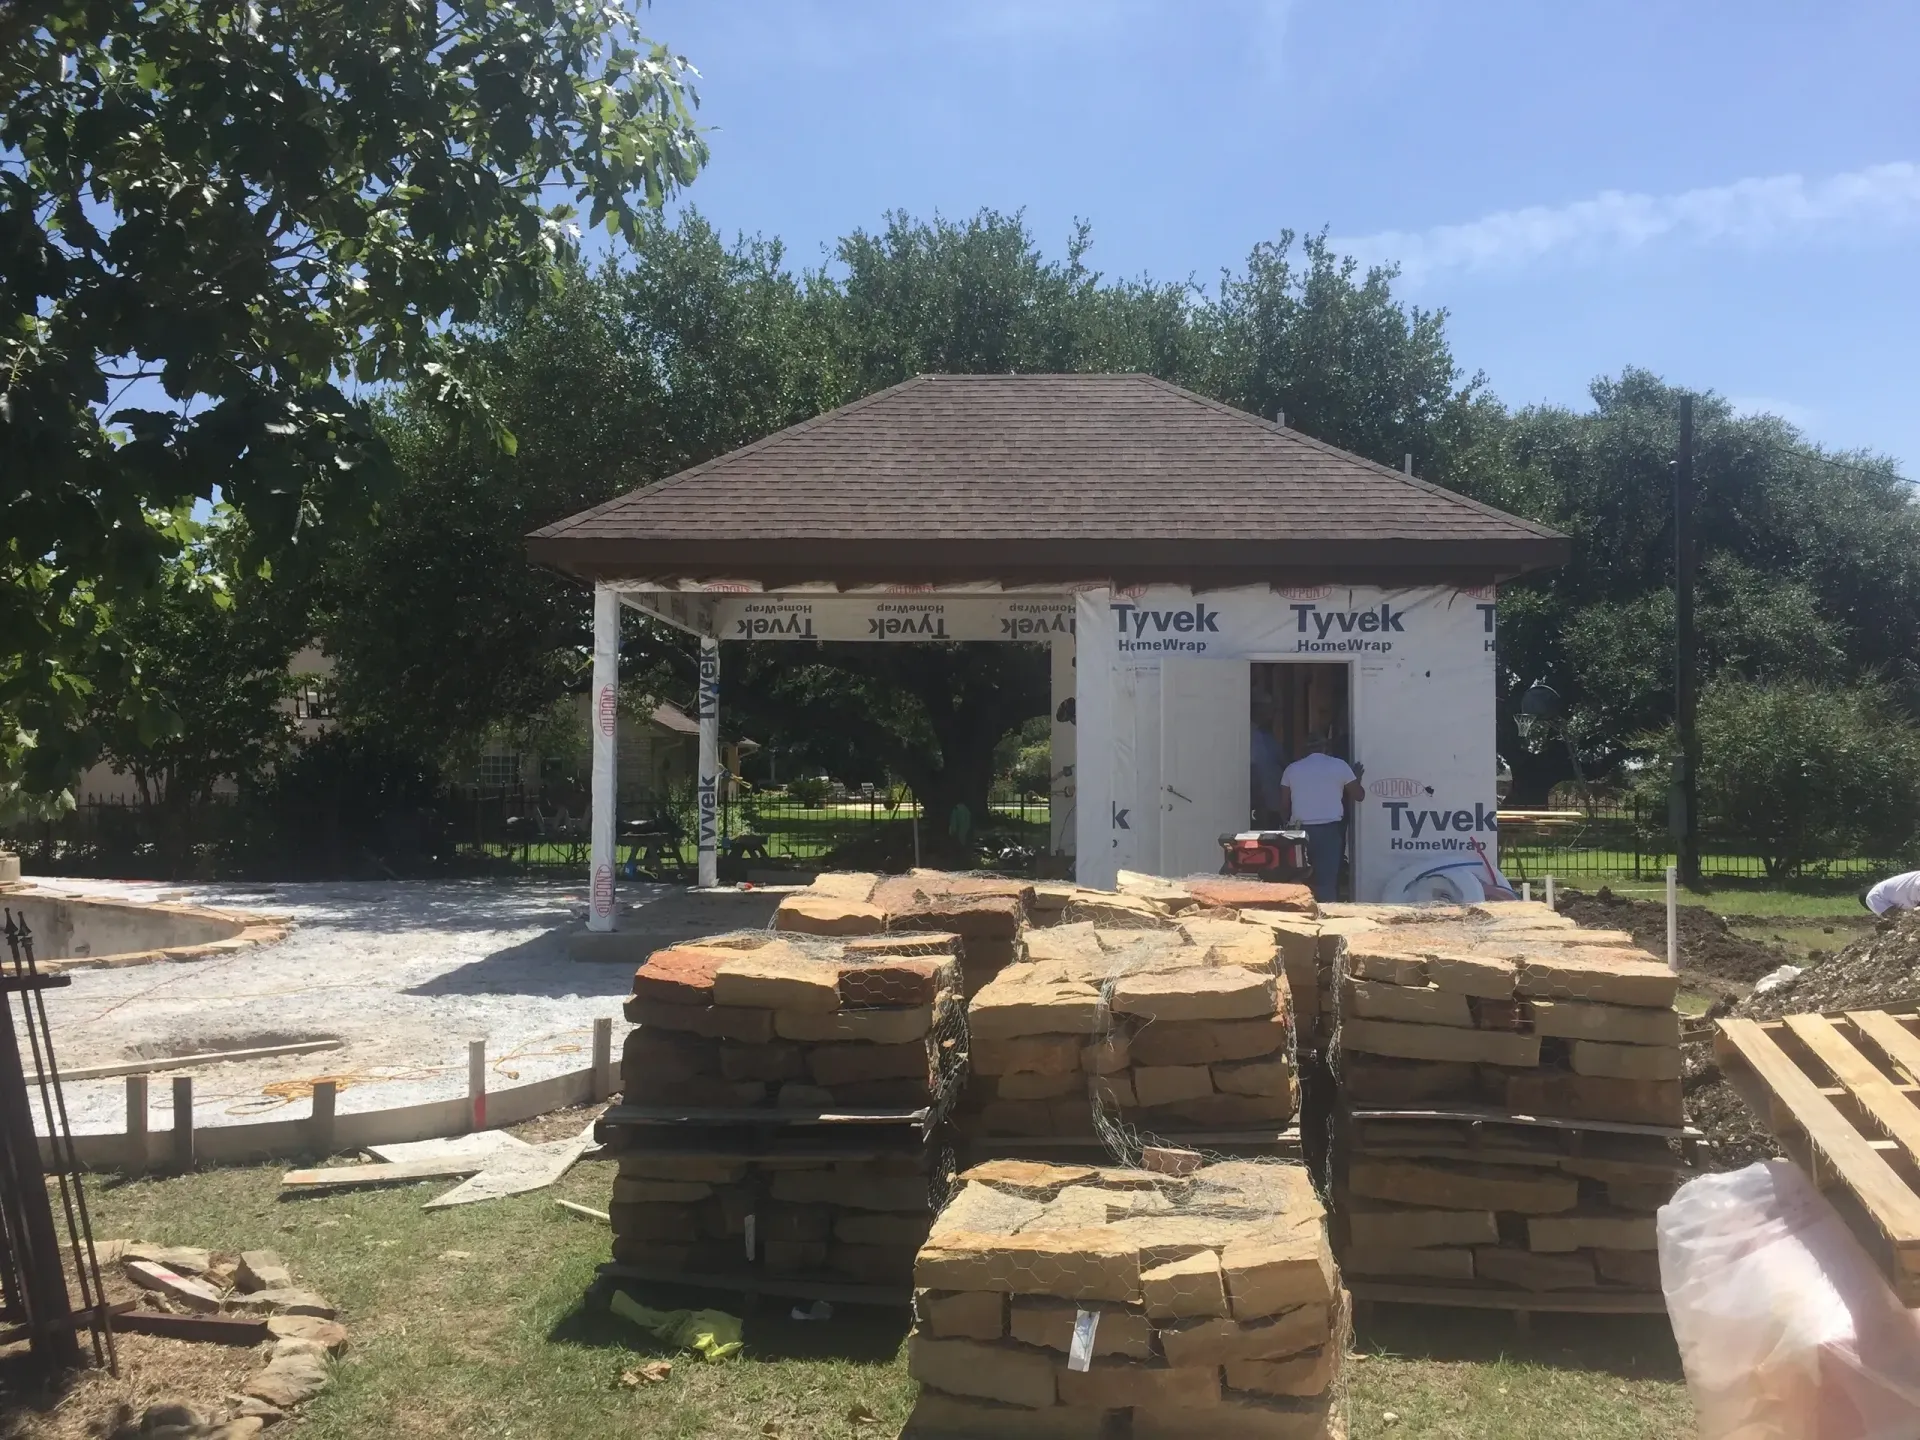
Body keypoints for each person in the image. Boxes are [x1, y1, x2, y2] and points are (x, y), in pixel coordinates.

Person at [1280, 733, 1365, 903]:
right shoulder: (1340, 766)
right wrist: (1355, 778)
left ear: (1304, 750)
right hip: (1329, 831)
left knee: (1298, 877)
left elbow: (1283, 804)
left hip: (1299, 832)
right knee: (1326, 882)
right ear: (1326, 748)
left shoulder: (1292, 769)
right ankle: (1326, 918)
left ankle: (1298, 913)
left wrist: (1285, 827)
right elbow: (1359, 796)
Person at [1250, 701, 1288, 825]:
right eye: (1269, 711)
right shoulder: (1252, 735)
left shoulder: (1267, 737)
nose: (1271, 716)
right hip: (1259, 798)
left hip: (1271, 798)